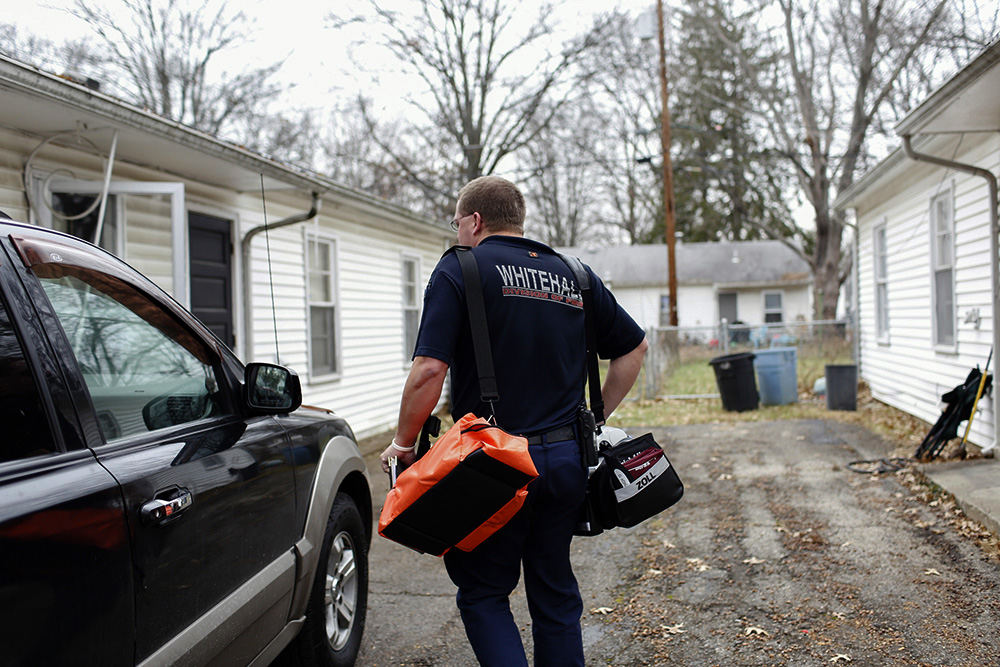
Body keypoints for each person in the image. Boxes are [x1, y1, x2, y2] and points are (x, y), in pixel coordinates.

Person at [380, 175, 647, 666]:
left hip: (492, 467)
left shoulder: (460, 269)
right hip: (566, 461)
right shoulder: (574, 274)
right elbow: (634, 348)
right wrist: (594, 418)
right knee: (554, 592)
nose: (457, 231)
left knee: (484, 592)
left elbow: (429, 369)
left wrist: (403, 442)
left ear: (475, 220)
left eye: (457, 222)